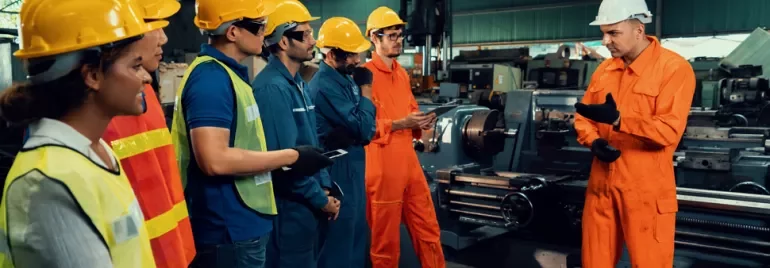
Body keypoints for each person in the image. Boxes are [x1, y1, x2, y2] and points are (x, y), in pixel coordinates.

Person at [170, 0, 333, 267]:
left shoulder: (231, 75)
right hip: (227, 228)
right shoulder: (210, 78)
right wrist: (291, 156)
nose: (264, 34)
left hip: (244, 223)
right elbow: (214, 160)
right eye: (259, 27)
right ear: (232, 32)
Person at [0, 0, 162, 266]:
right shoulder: (48, 183)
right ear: (93, 75)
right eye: (135, 66)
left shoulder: (95, 152)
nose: (146, 77)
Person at [573, 0, 695, 267]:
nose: (605, 41)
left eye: (613, 33)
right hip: (601, 186)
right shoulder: (605, 69)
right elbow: (583, 117)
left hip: (646, 190)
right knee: (594, 262)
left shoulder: (673, 69)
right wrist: (594, 142)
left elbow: (668, 131)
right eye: (603, 33)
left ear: (639, 30)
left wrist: (619, 119)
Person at [101, 0, 196, 266]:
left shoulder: (144, 94)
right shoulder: (94, 111)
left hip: (170, 252)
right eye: (152, 25)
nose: (164, 37)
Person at [251, 1, 341, 267]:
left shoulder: (299, 83)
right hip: (289, 210)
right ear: (282, 41)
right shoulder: (271, 90)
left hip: (309, 203)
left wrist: (324, 187)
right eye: (304, 34)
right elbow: (285, 165)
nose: (312, 40)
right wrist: (320, 199)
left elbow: (313, 144)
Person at [362, 6, 444, 268]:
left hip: (409, 165)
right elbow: (361, 127)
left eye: (399, 35)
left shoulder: (401, 73)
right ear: (375, 38)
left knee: (428, 230)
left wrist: (423, 122)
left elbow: (411, 110)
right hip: (382, 167)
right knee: (385, 243)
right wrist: (398, 124)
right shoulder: (362, 76)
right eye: (391, 36)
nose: (398, 40)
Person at [309, 17, 376, 268]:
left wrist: (362, 127)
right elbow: (364, 126)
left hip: (354, 165)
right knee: (340, 243)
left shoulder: (344, 77)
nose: (357, 60)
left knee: (357, 235)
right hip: (337, 170)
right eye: (350, 55)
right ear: (331, 54)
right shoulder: (326, 85)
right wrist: (367, 90)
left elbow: (367, 128)